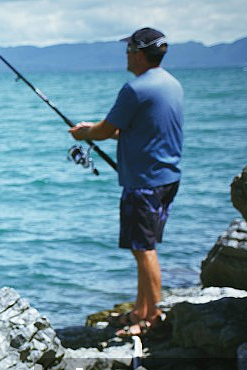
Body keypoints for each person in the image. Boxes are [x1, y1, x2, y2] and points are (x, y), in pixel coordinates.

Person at [69, 27, 183, 337]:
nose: (126, 55)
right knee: (143, 247)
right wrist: (96, 130)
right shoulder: (171, 84)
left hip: (144, 182)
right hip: (167, 178)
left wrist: (85, 133)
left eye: (129, 50)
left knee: (144, 250)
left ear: (140, 53)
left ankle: (151, 317)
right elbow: (142, 130)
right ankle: (141, 310)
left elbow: (106, 130)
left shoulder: (136, 89)